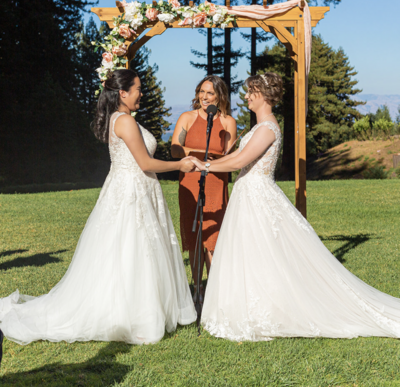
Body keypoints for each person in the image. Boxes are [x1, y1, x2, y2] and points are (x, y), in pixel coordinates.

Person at [190, 72, 400, 341]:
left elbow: (239, 161)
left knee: (264, 252)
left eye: (250, 92)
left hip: (257, 196)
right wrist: (206, 165)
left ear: (263, 95)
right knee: (252, 253)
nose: (245, 97)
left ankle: (270, 308)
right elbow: (236, 160)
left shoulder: (267, 129)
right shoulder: (259, 127)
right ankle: (252, 304)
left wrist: (204, 165)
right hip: (248, 195)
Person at [0, 69, 196, 346]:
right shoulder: (125, 121)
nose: (142, 93)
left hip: (135, 188)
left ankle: (141, 309)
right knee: (134, 247)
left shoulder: (122, 119)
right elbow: (146, 163)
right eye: (138, 88)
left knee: (136, 250)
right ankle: (134, 315)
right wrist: (180, 165)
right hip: (130, 191)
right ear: (123, 93)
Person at [171, 76, 237, 303]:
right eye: (201, 91)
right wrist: (198, 154)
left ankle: (214, 290)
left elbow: (230, 157)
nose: (204, 97)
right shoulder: (187, 118)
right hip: (190, 181)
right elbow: (175, 150)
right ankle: (197, 288)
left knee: (214, 236)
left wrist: (211, 159)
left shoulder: (228, 122)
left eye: (210, 93)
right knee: (194, 232)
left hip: (216, 181)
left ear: (220, 96)